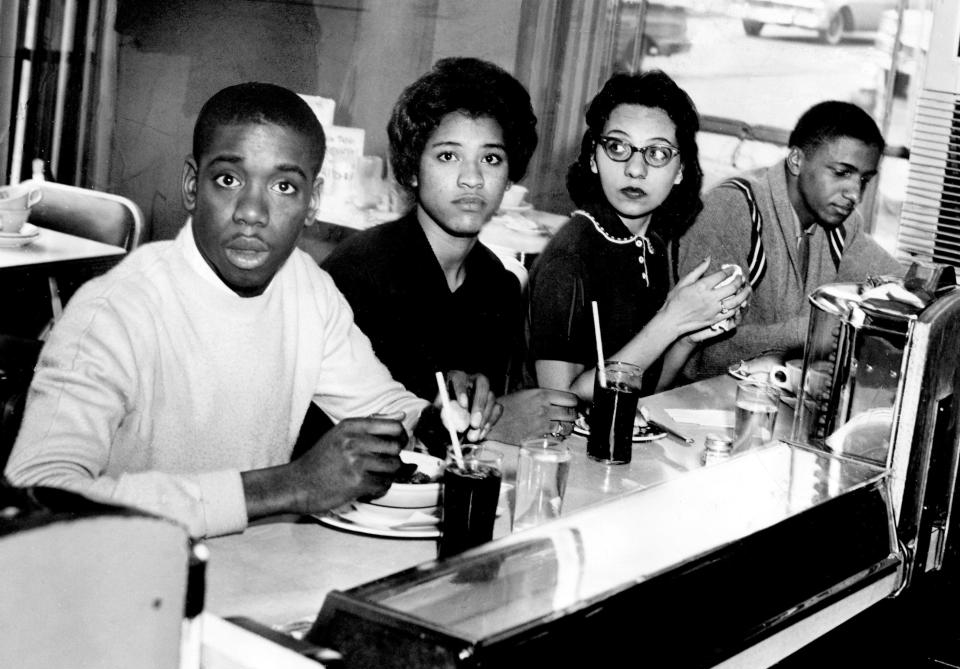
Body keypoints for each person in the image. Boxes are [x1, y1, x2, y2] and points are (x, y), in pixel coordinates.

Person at [4, 82, 493, 539]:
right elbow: (39, 496)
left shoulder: (305, 286)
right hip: (129, 585)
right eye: (229, 179)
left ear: (312, 203)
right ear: (192, 187)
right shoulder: (113, 313)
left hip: (254, 571)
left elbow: (382, 408)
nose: (252, 212)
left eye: (284, 187)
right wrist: (287, 485)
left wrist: (440, 415)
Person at [324, 57, 578, 443]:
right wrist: (490, 427)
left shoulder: (498, 285)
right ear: (411, 169)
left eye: (491, 159)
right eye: (448, 156)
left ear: (509, 177)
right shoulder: (358, 273)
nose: (472, 178)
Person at [526, 70, 750, 401]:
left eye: (657, 153)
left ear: (681, 170)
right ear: (593, 158)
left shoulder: (649, 245)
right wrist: (671, 320)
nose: (635, 169)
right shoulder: (570, 256)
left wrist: (689, 334)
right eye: (617, 147)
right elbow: (559, 404)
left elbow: (644, 391)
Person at [677, 100, 905, 380]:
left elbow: (902, 286)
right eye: (841, 173)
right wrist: (813, 331)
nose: (855, 194)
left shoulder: (840, 224)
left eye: (865, 180)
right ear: (796, 160)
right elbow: (700, 356)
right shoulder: (734, 208)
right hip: (694, 404)